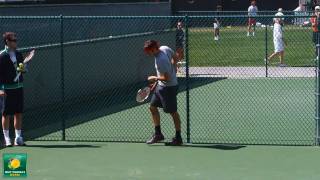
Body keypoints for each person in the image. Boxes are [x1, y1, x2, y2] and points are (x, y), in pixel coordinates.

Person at [143, 40, 182, 146]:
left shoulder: (161, 60)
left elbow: (166, 78)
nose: (148, 53)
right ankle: (158, 134)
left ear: (154, 48)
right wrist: (173, 69)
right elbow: (176, 57)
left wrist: (154, 78)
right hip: (161, 87)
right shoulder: (165, 48)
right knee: (152, 107)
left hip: (169, 88)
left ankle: (178, 138)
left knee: (173, 112)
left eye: (149, 51)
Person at [0, 32, 33, 147]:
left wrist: (25, 65)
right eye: (14, 40)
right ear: (7, 42)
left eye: (16, 40)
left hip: (19, 88)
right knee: (6, 114)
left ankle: (18, 138)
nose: (16, 42)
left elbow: (21, 70)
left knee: (18, 113)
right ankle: (7, 138)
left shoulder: (18, 54)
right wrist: (1, 89)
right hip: (7, 89)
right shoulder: (2, 56)